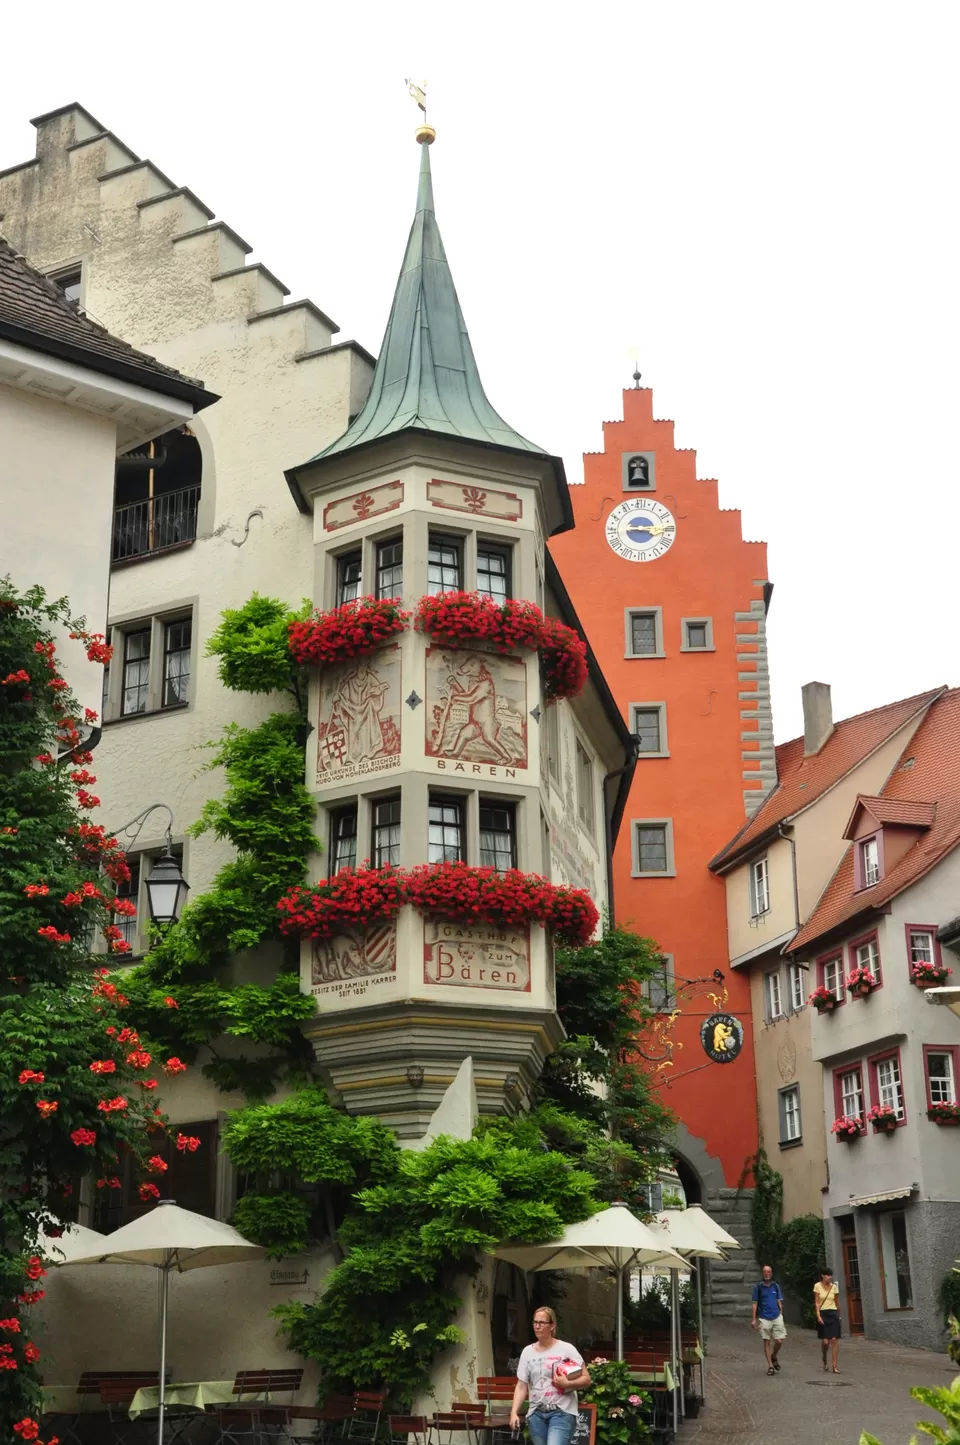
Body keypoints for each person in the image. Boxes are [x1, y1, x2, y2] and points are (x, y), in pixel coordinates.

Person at [510, 1306, 591, 1445]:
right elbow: (521, 1386)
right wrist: (514, 1412)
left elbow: (586, 1379)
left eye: (542, 1323)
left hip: (561, 1411)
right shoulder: (527, 1352)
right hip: (536, 1413)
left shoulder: (566, 1349)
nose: (537, 1326)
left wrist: (568, 1384)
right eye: (535, 1322)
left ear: (552, 1326)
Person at [751, 1264, 786, 1376]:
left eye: (769, 1272)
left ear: (771, 1273)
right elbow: (754, 1303)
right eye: (765, 1271)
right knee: (766, 1341)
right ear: (763, 1273)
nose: (767, 1273)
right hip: (764, 1317)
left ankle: (774, 1355)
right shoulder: (758, 1287)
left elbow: (779, 1301)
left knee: (779, 1340)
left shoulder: (775, 1286)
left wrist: (781, 1313)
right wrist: (753, 1319)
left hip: (776, 1316)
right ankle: (770, 1366)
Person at [814, 1268, 842, 1373]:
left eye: (830, 1275)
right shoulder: (817, 1286)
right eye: (827, 1275)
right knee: (825, 1342)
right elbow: (817, 1301)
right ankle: (824, 1358)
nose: (829, 1277)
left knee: (834, 1339)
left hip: (833, 1313)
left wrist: (839, 1314)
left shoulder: (834, 1287)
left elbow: (836, 1301)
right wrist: (818, 1315)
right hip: (823, 1313)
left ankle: (835, 1366)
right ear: (822, 1276)